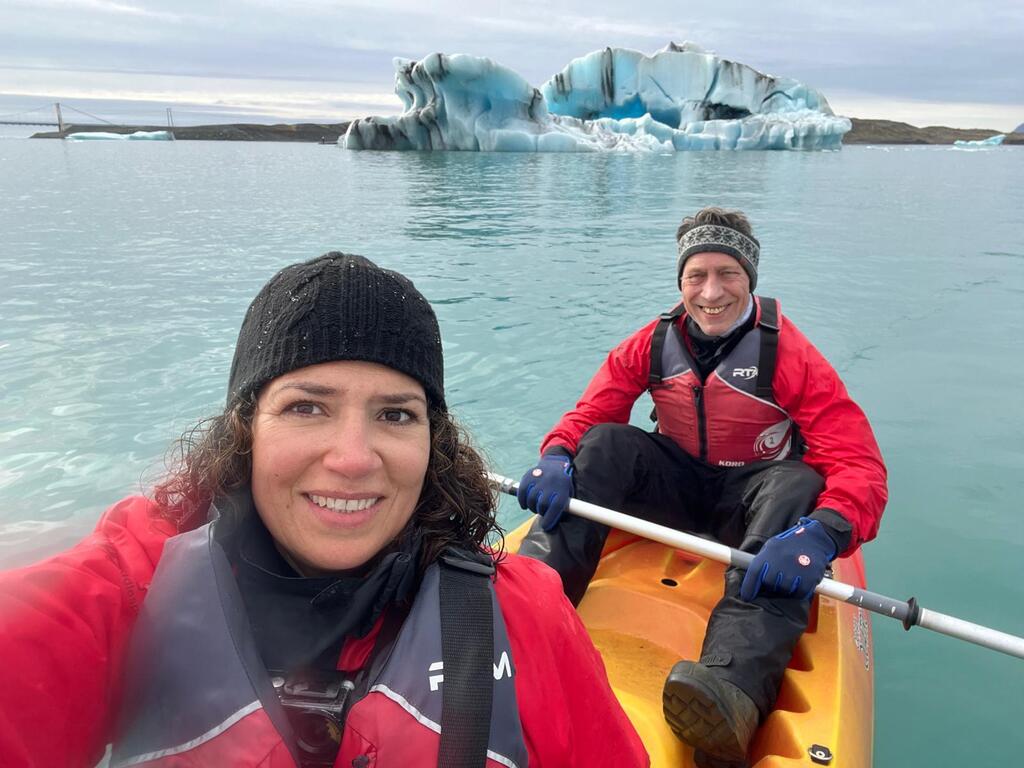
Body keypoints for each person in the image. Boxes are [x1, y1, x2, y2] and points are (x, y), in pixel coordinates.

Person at [0, 253, 649, 768]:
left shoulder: (522, 614)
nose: (353, 457)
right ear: (245, 427)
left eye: (395, 414)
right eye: (306, 406)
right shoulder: (133, 587)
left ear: (434, 441)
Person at [516, 208, 887, 767]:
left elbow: (858, 462)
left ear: (750, 280)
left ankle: (732, 690)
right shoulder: (652, 341)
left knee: (801, 479)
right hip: (676, 495)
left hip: (754, 507)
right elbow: (594, 411)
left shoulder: (788, 354)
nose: (711, 292)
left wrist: (826, 529)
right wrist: (557, 452)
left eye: (727, 274)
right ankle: (526, 610)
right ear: (681, 283)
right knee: (608, 443)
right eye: (697, 276)